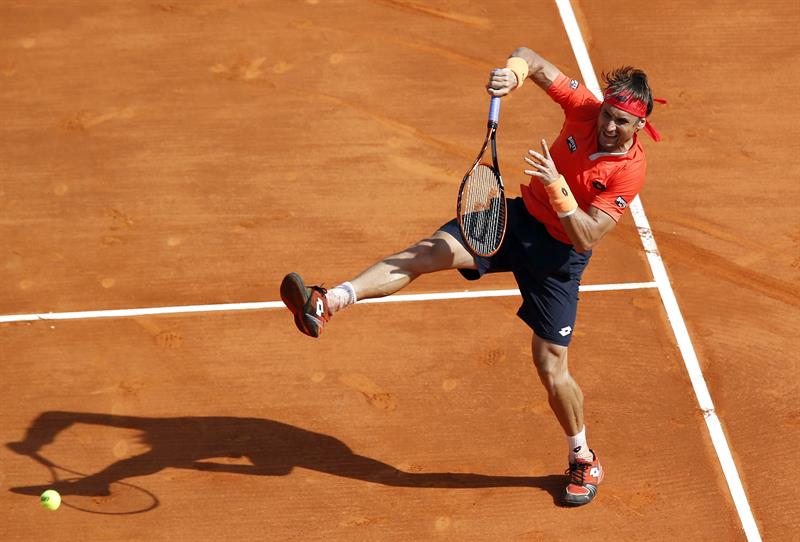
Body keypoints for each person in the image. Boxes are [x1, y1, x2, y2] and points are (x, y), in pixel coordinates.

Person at [280, 46, 662, 506]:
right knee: (428, 252)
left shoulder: (629, 170)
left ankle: (583, 457)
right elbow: (531, 59)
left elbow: (586, 235)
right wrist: (515, 76)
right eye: (607, 114)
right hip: (516, 222)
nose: (608, 125)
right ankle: (329, 301)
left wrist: (558, 187)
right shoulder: (584, 108)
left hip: (558, 259)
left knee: (550, 365)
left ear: (640, 126)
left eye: (621, 121)